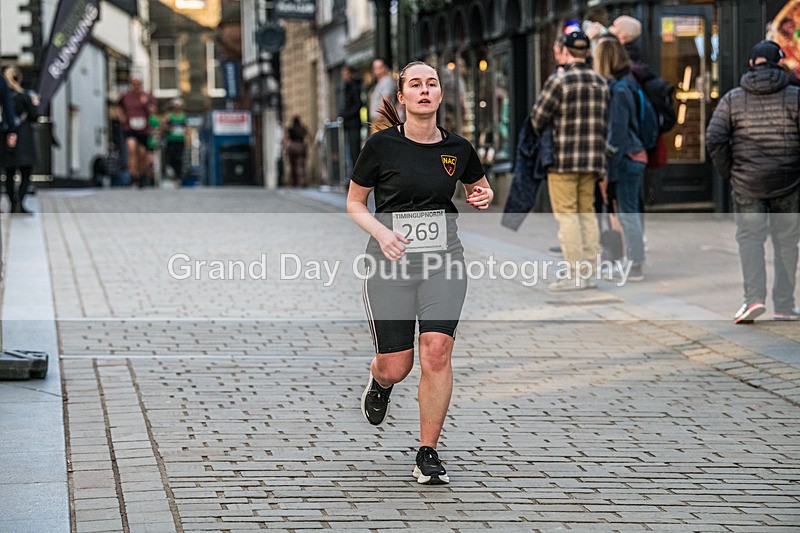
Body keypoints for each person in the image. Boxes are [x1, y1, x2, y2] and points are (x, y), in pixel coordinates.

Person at [347, 61, 492, 485]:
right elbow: (355, 203)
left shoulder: (459, 148)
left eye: (432, 84)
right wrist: (382, 233)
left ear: (440, 94)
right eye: (416, 84)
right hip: (388, 263)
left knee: (436, 351)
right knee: (397, 366)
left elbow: (477, 187)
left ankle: (427, 451)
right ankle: (379, 383)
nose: (424, 90)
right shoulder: (381, 147)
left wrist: (482, 195)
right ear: (403, 97)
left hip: (443, 260)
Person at [706, 40, 800, 323]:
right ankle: (784, 304)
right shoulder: (795, 96)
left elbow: (714, 137)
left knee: (749, 238)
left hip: (747, 182)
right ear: (780, 63)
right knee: (787, 241)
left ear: (751, 64)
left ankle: (753, 300)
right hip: (788, 181)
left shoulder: (733, 98)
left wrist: (730, 172)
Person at [531, 29, 609, 291]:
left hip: (563, 160)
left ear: (565, 50)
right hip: (592, 160)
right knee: (587, 212)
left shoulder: (560, 82)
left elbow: (537, 118)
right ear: (587, 51)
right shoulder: (601, 82)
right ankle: (588, 273)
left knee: (568, 216)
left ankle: (575, 274)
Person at [593, 35, 647, 281]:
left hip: (627, 157)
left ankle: (634, 263)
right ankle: (629, 259)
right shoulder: (624, 85)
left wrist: (608, 167)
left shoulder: (619, 90)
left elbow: (617, 134)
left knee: (627, 212)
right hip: (630, 155)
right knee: (626, 211)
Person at [3, 67, 38, 214]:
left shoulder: (5, 96)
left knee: (9, 173)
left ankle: (12, 203)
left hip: (5, 137)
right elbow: (34, 116)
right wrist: (35, 103)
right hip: (23, 138)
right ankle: (20, 203)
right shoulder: (24, 96)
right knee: (25, 172)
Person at [118, 77, 156, 188]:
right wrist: (122, 117)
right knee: (131, 148)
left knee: (142, 153)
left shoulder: (147, 96)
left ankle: (142, 175)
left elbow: (153, 111)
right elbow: (118, 108)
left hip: (144, 129)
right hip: (130, 128)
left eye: (138, 84)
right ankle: (133, 176)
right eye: (134, 84)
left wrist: (145, 105)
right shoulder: (125, 96)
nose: (136, 86)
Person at [340, 65, 363, 174]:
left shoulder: (354, 86)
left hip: (354, 123)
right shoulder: (346, 86)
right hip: (348, 124)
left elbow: (358, 104)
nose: (343, 76)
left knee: (354, 152)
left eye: (345, 73)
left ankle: (356, 177)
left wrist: (346, 114)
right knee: (350, 152)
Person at [368, 58, 398, 134]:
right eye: (375, 68)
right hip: (378, 120)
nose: (377, 70)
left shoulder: (387, 81)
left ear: (385, 67)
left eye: (380, 67)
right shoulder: (379, 82)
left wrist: (381, 115)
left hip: (382, 120)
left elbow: (386, 98)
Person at [164, 98, 187, 182]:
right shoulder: (169, 115)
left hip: (180, 140)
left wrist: (186, 133)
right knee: (171, 157)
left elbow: (186, 127)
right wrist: (169, 128)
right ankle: (172, 172)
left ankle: (178, 176)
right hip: (171, 140)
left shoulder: (183, 116)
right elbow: (164, 126)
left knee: (179, 158)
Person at [284, 116, 308, 187]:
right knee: (301, 165)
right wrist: (306, 144)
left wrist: (285, 145)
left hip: (292, 146)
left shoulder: (290, 129)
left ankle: (294, 182)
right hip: (301, 146)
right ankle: (302, 181)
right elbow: (310, 137)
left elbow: (286, 138)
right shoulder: (303, 128)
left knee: (292, 165)